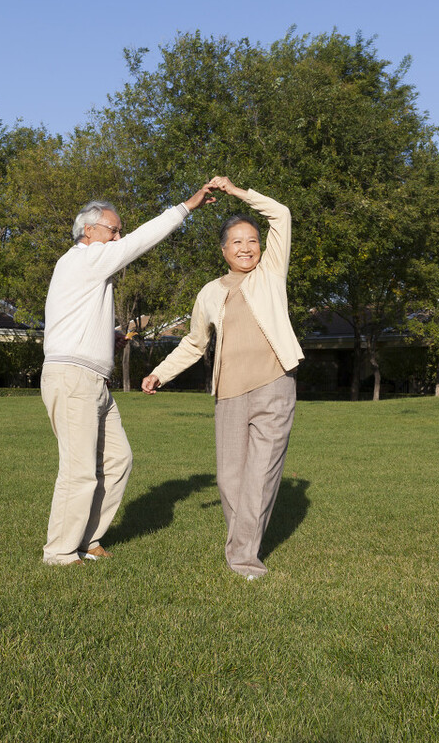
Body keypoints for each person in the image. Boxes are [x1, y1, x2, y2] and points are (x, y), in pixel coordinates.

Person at [41, 185, 217, 566]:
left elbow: (73, 321)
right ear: (88, 231)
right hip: (73, 379)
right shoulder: (84, 258)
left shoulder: (87, 269)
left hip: (92, 381)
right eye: (113, 230)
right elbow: (141, 241)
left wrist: (110, 339)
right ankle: (58, 553)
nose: (118, 237)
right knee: (79, 469)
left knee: (118, 459)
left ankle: (88, 539)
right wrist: (187, 207)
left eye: (119, 231)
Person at [141, 176, 304, 579]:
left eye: (252, 240)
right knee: (231, 479)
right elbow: (195, 343)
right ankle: (242, 545)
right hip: (229, 393)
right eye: (237, 242)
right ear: (224, 251)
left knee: (261, 475)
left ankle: (243, 559)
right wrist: (160, 373)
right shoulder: (209, 292)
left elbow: (280, 214)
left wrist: (238, 192)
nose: (247, 248)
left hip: (274, 384)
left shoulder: (270, 273)